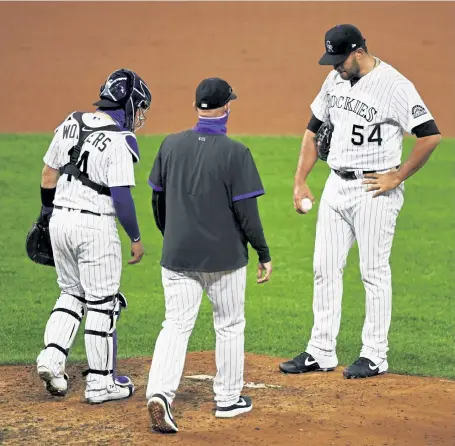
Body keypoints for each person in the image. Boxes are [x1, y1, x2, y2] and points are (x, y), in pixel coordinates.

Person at [280, 24, 441, 379]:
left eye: (339, 60)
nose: (335, 67)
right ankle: (320, 350)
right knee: (325, 269)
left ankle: (375, 354)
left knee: (373, 272)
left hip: (374, 189)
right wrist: (300, 180)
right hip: (336, 185)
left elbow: (429, 135)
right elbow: (312, 130)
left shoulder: (395, 86)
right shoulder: (334, 81)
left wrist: (398, 175)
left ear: (358, 52)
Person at [146, 78, 272, 433]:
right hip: (224, 260)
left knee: (175, 324)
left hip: (177, 254)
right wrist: (263, 252)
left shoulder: (170, 145)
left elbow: (157, 200)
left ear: (197, 107)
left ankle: (159, 393)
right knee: (229, 325)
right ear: (226, 107)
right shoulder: (236, 153)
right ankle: (228, 400)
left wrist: (170, 235)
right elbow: (248, 215)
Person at [35, 68, 151, 403]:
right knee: (103, 303)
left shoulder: (71, 121)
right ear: (127, 104)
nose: (140, 115)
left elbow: (47, 174)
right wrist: (135, 236)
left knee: (70, 294)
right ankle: (101, 383)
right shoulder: (120, 140)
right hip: (95, 228)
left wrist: (46, 217)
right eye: (139, 107)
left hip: (60, 221)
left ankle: (52, 359)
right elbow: (122, 198)